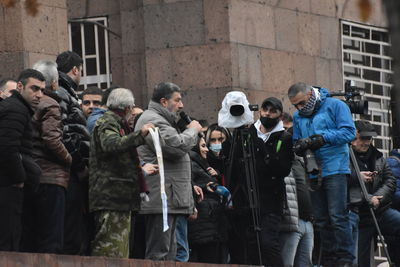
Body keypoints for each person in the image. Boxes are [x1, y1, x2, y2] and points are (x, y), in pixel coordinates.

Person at [288, 82, 356, 266]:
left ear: (311, 93)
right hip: (313, 170)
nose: (300, 108)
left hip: (336, 167)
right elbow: (296, 142)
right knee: (321, 219)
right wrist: (301, 145)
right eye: (296, 105)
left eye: (302, 103)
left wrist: (323, 138)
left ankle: (346, 259)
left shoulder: (336, 105)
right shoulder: (298, 116)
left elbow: (349, 132)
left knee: (337, 216)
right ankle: (329, 259)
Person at [134, 82, 202, 260]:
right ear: (164, 102)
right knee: (160, 253)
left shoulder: (162, 119)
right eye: (177, 100)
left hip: (168, 197)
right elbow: (176, 147)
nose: (181, 105)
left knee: (170, 253)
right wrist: (192, 131)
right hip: (160, 198)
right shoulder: (152, 120)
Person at [89, 88, 154, 258]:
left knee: (121, 251)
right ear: (126, 108)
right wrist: (140, 135)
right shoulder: (108, 121)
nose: (133, 113)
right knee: (110, 250)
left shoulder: (116, 122)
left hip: (119, 198)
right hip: (111, 198)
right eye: (132, 108)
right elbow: (111, 144)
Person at [20, 61, 71, 253]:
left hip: (27, 175)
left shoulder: (21, 103)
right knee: (51, 239)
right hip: (51, 178)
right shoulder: (50, 103)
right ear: (55, 84)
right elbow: (52, 140)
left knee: (30, 238)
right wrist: (69, 159)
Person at [0, 69, 45, 251]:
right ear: (20, 86)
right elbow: (7, 147)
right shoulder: (16, 110)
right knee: (8, 242)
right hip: (8, 185)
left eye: (42, 90)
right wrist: (19, 178)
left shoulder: (16, 108)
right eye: (34, 89)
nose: (39, 95)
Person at [248, 97, 293, 266]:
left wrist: (262, 147)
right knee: (251, 244)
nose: (268, 114)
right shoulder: (249, 133)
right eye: (265, 110)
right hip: (249, 197)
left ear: (280, 116)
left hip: (271, 201)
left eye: (273, 111)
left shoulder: (284, 138)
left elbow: (282, 169)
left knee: (268, 243)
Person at [350, 120, 400, 267]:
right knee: (360, 260)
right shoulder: (344, 156)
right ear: (354, 137)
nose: (366, 142)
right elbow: (341, 181)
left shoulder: (378, 156)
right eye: (363, 138)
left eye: (369, 139)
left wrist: (378, 198)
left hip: (380, 209)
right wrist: (359, 179)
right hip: (359, 213)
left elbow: (390, 181)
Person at [56, 50, 90, 255]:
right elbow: (64, 132)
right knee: (70, 229)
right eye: (82, 71)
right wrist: (79, 164)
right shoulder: (62, 91)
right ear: (75, 69)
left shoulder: (67, 92)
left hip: (72, 169)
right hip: (70, 170)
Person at [188, 135, 228, 263]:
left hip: (209, 225)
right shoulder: (192, 164)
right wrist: (205, 186)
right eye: (203, 146)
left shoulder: (202, 165)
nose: (206, 150)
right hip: (203, 226)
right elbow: (190, 183)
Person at [279, 154, 314, 267]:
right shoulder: (281, 161)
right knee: (287, 263)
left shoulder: (303, 161)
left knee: (306, 263)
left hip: (308, 222)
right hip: (290, 221)